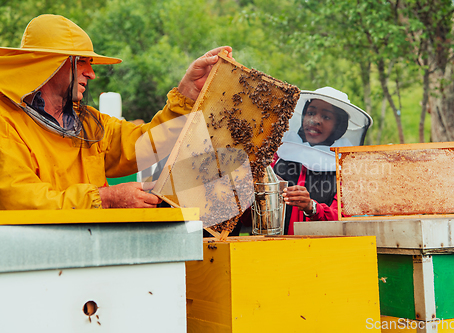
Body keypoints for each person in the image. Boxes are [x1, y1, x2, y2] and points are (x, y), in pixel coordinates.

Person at [0, 14, 232, 210]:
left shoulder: (87, 121)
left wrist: (188, 93)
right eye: (81, 62)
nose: (91, 73)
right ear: (48, 64)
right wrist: (106, 199)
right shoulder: (5, 122)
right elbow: (20, 198)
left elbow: (142, 146)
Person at [273, 87, 372, 234]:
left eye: (326, 117)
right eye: (311, 113)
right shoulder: (279, 156)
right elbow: (250, 217)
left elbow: (344, 219)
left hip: (320, 251)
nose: (315, 120)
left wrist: (312, 208)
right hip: (272, 249)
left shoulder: (348, 169)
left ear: (339, 126)